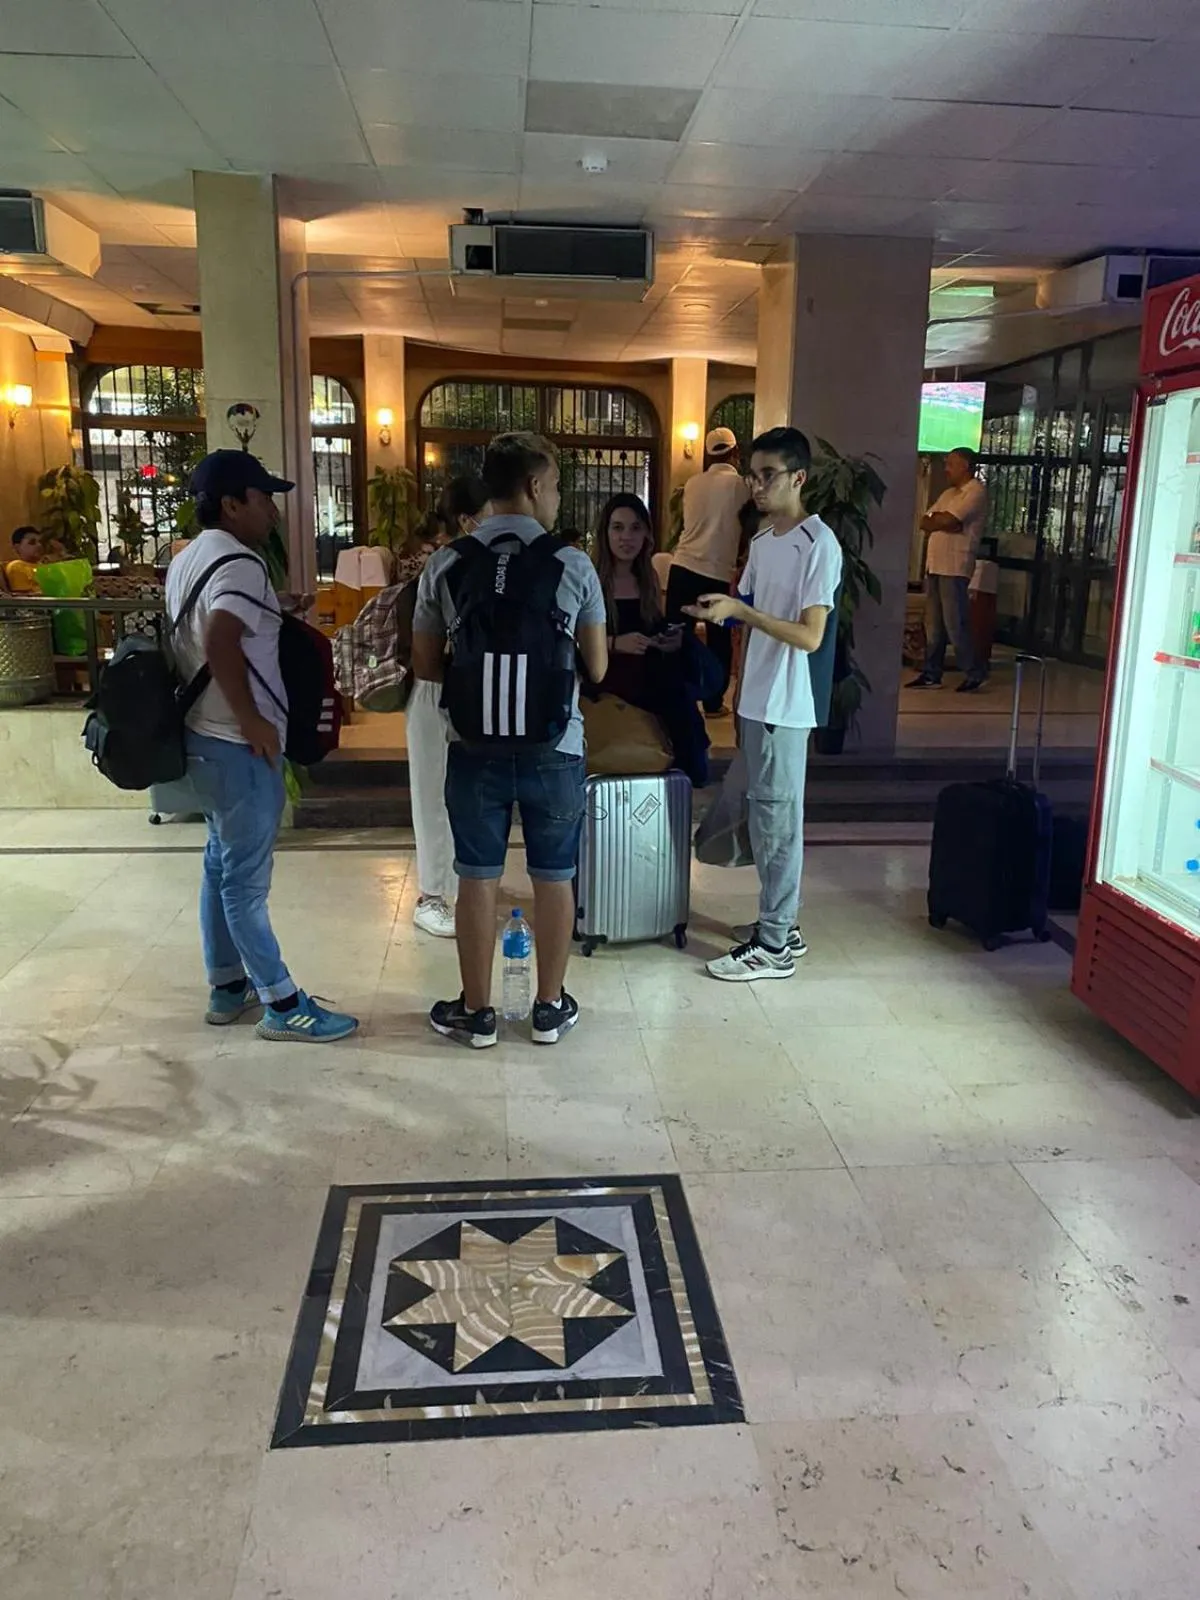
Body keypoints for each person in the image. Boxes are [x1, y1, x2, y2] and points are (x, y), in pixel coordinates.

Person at [412, 432, 608, 1048]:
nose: (556, 500)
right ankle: (548, 1009)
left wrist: (479, 680)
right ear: (532, 486)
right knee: (554, 876)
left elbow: (423, 662)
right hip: (556, 748)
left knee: (477, 878)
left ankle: (476, 1014)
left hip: (473, 750)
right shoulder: (573, 565)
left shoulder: (445, 563)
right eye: (553, 487)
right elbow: (597, 667)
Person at [166, 449, 358, 1042]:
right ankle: (281, 1003)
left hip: (201, 737)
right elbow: (221, 638)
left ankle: (227, 987)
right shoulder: (241, 562)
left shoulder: (188, 558)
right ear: (231, 503)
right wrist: (252, 721)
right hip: (235, 743)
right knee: (244, 883)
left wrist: (276, 611)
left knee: (220, 864)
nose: (272, 511)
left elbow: (208, 630)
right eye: (263, 498)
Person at [686, 426, 842, 982]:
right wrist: (723, 614)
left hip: (786, 704)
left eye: (768, 475)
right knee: (758, 813)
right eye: (753, 475)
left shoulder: (818, 543)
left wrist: (744, 615)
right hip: (755, 698)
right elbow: (747, 610)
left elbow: (809, 636)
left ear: (799, 477)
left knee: (778, 823)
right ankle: (782, 925)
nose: (757, 485)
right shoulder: (764, 542)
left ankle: (775, 943)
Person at [408, 475, 490, 939]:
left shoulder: (487, 563)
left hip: (465, 692)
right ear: (467, 519)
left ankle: (459, 884)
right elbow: (426, 657)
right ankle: (431, 895)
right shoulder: (444, 563)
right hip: (436, 690)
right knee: (434, 791)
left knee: (464, 793)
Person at [591, 492, 714, 787]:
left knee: (682, 668)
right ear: (605, 532)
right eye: (617, 528)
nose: (626, 537)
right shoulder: (591, 578)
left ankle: (687, 775)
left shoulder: (648, 578)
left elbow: (653, 624)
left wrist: (666, 640)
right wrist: (615, 643)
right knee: (672, 690)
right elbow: (571, 640)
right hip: (604, 668)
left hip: (647, 665)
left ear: (646, 534)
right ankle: (690, 772)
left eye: (635, 528)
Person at [666, 427, 751, 715]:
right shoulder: (743, 486)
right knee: (717, 641)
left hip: (682, 567)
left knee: (678, 636)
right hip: (715, 573)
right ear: (736, 453)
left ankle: (675, 696)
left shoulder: (692, 484)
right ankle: (714, 703)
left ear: (707, 454)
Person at [908, 446, 988, 693]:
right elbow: (925, 520)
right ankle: (932, 673)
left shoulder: (975, 491)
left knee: (955, 623)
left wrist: (944, 521)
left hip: (954, 566)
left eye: (950, 464)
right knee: (934, 625)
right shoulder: (947, 494)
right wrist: (940, 521)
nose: (946, 469)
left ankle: (974, 671)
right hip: (935, 565)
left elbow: (952, 520)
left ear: (965, 465)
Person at [5, 527, 42, 594]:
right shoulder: (16, 566)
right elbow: (23, 596)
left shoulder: (43, 565)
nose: (39, 545)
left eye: (40, 542)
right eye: (32, 542)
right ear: (17, 547)